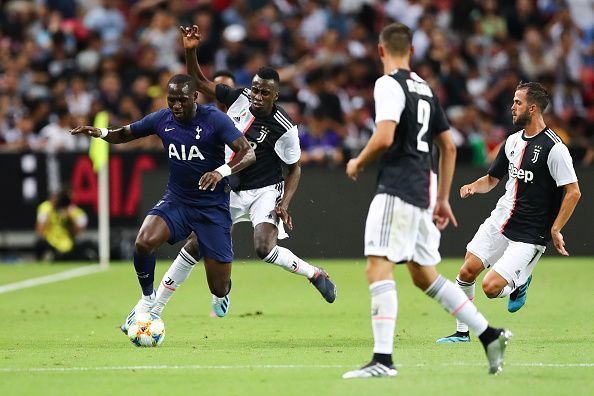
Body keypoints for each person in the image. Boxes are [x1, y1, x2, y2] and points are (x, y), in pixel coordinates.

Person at [342, 23, 511, 378]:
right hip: (423, 190)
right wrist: (443, 198)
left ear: (381, 50)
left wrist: (358, 160)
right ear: (412, 52)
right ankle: (489, 334)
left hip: (397, 187)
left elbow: (385, 135)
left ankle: (383, 361)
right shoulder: (424, 88)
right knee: (423, 275)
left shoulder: (387, 84)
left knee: (378, 267)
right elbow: (447, 146)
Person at [148, 26, 337, 320]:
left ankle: (314, 274)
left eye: (264, 92)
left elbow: (294, 168)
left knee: (264, 247)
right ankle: (154, 309)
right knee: (195, 244)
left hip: (264, 190)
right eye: (255, 89)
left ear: (276, 95)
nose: (257, 96)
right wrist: (190, 50)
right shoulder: (238, 98)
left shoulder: (285, 128)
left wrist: (284, 204)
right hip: (230, 188)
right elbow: (197, 81)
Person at [70, 74, 255, 332]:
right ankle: (147, 300)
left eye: (181, 100)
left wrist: (221, 171)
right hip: (177, 200)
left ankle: (222, 294)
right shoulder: (162, 118)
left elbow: (248, 152)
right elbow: (126, 133)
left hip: (212, 207)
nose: (176, 105)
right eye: (171, 100)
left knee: (219, 286)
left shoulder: (215, 120)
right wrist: (101, 133)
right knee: (144, 242)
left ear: (194, 97)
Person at [436, 82, 581, 343]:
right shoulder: (512, 141)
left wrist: (556, 228)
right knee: (466, 271)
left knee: (490, 288)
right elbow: (492, 179)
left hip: (530, 233)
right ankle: (462, 333)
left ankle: (520, 281)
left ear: (533, 108)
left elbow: (573, 192)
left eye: (518, 102)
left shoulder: (555, 148)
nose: (512, 107)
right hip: (501, 219)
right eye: (513, 101)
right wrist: (472, 186)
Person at [35, 186, 96, 261]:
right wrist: (51, 212)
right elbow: (40, 231)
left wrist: (69, 219)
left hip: (67, 244)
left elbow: (75, 234)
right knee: (39, 243)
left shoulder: (74, 212)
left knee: (88, 244)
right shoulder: (46, 207)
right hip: (51, 243)